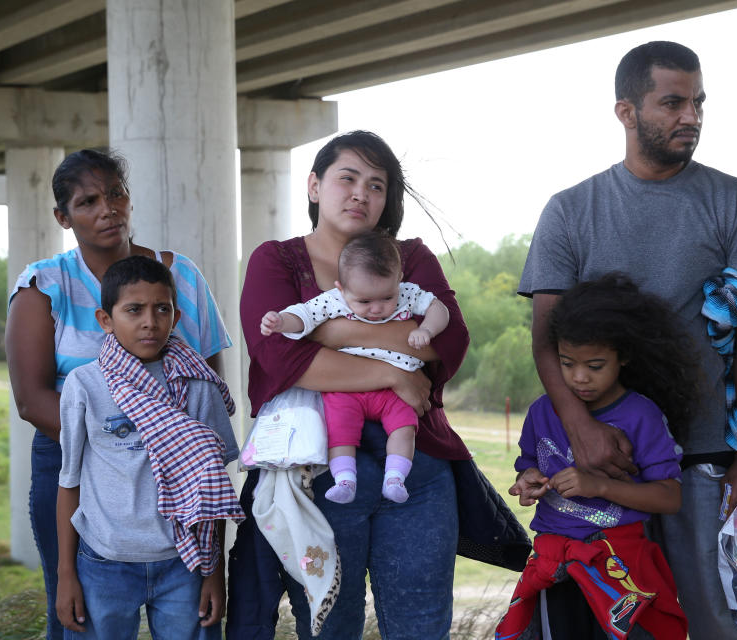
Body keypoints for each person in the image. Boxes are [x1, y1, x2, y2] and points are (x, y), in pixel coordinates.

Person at [518, 41, 737, 638]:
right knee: (614, 621)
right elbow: (545, 341)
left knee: (717, 619)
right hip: (603, 463)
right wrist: (581, 429)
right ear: (626, 111)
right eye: (672, 103)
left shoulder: (736, 203)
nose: (690, 117)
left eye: (697, 103)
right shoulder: (571, 210)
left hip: (704, 462)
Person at [229, 130, 521, 640]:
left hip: (417, 467)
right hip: (319, 467)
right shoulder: (276, 260)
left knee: (421, 627)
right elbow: (279, 357)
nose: (361, 193)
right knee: (329, 626)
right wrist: (393, 370)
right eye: (348, 178)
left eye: (377, 185)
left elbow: (450, 339)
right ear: (315, 185)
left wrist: (332, 333)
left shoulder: (410, 258)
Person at [6, 149, 232, 640]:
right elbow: (30, 398)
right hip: (76, 461)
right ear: (63, 217)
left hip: (181, 468)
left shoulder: (182, 277)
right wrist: (123, 441)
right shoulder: (45, 284)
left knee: (188, 612)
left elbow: (210, 381)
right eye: (87, 201)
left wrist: (166, 447)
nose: (107, 208)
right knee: (75, 613)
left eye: (115, 193)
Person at [498, 274, 696, 640]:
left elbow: (669, 497)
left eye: (595, 365)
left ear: (623, 357)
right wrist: (528, 480)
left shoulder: (642, 416)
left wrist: (599, 484)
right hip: (553, 562)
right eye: (566, 362)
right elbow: (529, 464)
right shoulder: (543, 412)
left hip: (621, 566)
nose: (578, 378)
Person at [56, 255, 242, 639]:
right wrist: (66, 574)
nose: (149, 321)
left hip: (184, 562)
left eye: (162, 309)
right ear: (105, 319)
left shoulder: (198, 384)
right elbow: (69, 481)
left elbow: (213, 488)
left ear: (175, 318)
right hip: (104, 559)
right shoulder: (85, 384)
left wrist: (214, 573)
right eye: (133, 309)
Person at [260, 230, 450, 504]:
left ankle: (395, 478)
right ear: (341, 288)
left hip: (394, 391)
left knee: (405, 428)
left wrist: (427, 329)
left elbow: (440, 309)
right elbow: (305, 315)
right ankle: (344, 480)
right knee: (339, 431)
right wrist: (281, 321)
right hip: (346, 386)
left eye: (387, 298)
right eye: (364, 302)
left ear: (399, 281)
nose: (376, 309)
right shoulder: (332, 300)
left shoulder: (407, 294)